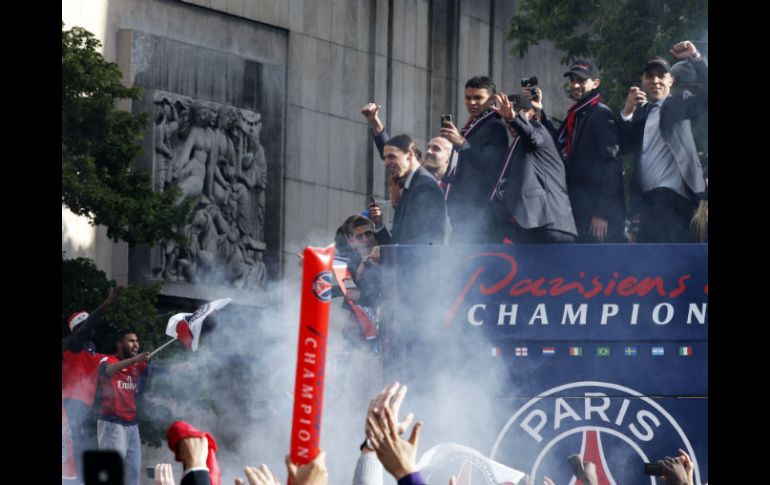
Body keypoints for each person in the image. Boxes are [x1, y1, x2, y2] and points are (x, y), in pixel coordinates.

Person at [618, 40, 707, 243]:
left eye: (661, 75)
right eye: (650, 76)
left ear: (671, 81)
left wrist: (696, 58)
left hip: (677, 198)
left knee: (682, 266)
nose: (655, 80)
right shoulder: (640, 113)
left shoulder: (680, 102)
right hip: (648, 202)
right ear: (642, 81)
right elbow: (622, 147)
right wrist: (625, 113)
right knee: (651, 266)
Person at [537, 60, 625, 242]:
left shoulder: (600, 114)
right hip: (579, 207)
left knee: (600, 268)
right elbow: (556, 145)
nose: (576, 85)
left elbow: (612, 166)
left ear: (596, 83)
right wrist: (541, 113)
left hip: (597, 215)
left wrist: (602, 214)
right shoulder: (578, 113)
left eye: (582, 81)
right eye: (573, 80)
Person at [491, 93, 576, 243]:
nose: (508, 122)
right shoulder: (518, 144)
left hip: (548, 224)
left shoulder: (538, 130)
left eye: (516, 113)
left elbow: (530, 135)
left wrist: (513, 118)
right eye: (505, 117)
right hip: (534, 225)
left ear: (530, 113)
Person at [62, 287, 124, 482]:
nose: (93, 328)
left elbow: (111, 365)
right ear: (78, 329)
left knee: (84, 448)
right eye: (86, 324)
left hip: (84, 406)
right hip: (68, 404)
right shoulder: (72, 345)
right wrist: (106, 304)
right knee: (73, 448)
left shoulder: (93, 353)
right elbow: (88, 328)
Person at [440, 76, 510, 243]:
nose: (471, 102)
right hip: (463, 214)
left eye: (478, 98)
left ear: (492, 99)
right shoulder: (474, 124)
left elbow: (492, 165)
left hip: (479, 216)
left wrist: (463, 143)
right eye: (468, 97)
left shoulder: (495, 125)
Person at [96, 329, 152, 485]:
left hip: (132, 425)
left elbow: (158, 371)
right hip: (112, 423)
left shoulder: (138, 366)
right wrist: (134, 361)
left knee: (133, 474)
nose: (135, 344)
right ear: (120, 344)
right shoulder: (106, 359)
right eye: (131, 341)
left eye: (137, 341)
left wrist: (178, 368)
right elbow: (108, 370)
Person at [369, 135, 447, 245]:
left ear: (410, 155)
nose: (386, 163)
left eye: (392, 157)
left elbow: (428, 240)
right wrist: (379, 226)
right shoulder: (410, 187)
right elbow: (397, 242)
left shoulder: (425, 186)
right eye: (385, 158)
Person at [361, 103, 453, 183]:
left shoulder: (456, 185)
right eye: (428, 147)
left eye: (436, 149)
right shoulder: (418, 177)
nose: (429, 151)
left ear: (448, 159)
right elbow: (391, 152)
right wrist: (374, 121)